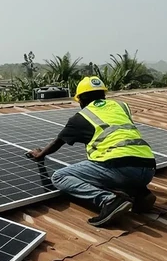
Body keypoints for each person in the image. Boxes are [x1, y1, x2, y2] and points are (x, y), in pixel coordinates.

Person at [26, 76, 156, 227]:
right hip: (148, 168)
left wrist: (40, 153)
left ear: (81, 98)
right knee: (115, 171)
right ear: (103, 94)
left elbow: (58, 141)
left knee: (60, 176)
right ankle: (140, 194)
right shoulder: (121, 106)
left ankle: (109, 201)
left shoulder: (82, 117)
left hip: (120, 167)